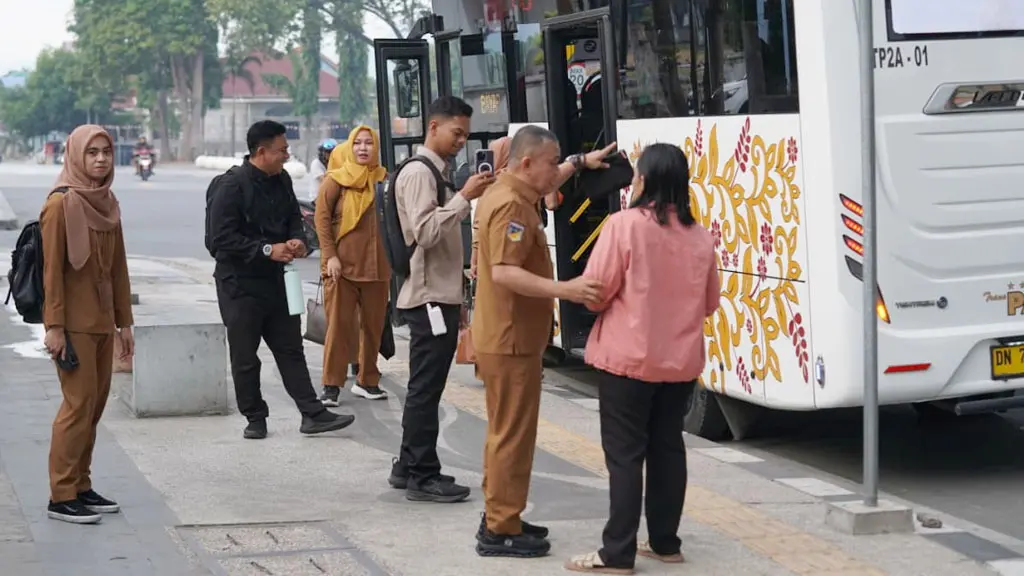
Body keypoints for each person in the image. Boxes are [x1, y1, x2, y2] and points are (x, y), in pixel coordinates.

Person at [564, 143, 720, 574]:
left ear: (644, 181)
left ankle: (617, 553)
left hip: (628, 362)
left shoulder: (623, 226)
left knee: (626, 456)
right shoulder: (701, 236)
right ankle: (666, 543)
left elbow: (596, 291)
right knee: (668, 448)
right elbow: (710, 303)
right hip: (680, 364)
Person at [472, 125, 607, 558]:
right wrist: (567, 290)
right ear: (527, 163)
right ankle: (499, 528)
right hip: (510, 338)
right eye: (552, 162)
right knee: (512, 434)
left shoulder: (514, 192)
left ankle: (502, 514)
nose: (556, 170)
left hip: (509, 335)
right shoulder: (512, 204)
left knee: (506, 431)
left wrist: (581, 164)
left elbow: (552, 176)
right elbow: (504, 273)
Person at [206, 119, 355, 440]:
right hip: (239, 285)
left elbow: (292, 218)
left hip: (278, 281)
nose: (287, 155)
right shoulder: (230, 187)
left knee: (290, 349)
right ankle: (255, 417)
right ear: (261, 152)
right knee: (245, 356)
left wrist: (296, 240)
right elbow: (218, 241)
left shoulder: (282, 179)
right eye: (282, 150)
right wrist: (265, 249)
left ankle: (312, 413)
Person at [388, 96, 495, 502]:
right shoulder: (420, 173)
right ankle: (422, 473)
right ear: (433, 127)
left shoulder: (436, 171)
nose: (461, 142)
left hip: (438, 294)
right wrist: (464, 197)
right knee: (425, 389)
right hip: (429, 296)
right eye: (456, 133)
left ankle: (405, 466)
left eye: (466, 135)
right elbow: (426, 232)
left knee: (424, 386)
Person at [40, 125, 134, 524]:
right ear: (76, 156)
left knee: (93, 408)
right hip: (73, 324)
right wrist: (55, 327)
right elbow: (52, 274)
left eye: (106, 152)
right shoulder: (60, 205)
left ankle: (81, 484)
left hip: (101, 323)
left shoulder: (108, 202)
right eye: (92, 152)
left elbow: (118, 270)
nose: (100, 159)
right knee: (77, 407)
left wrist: (124, 323)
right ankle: (60, 495)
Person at [315, 126, 391, 404]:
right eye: (357, 143)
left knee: (373, 328)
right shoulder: (335, 180)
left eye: (369, 143)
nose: (363, 148)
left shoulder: (384, 180)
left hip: (378, 267)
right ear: (349, 147)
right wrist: (330, 256)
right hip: (341, 268)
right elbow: (321, 222)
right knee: (339, 327)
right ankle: (331, 385)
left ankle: (367, 380)